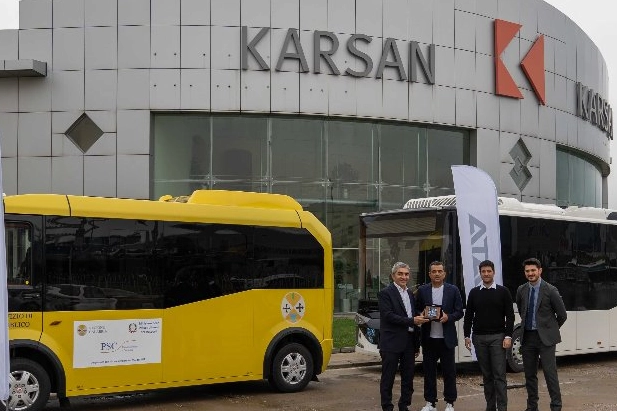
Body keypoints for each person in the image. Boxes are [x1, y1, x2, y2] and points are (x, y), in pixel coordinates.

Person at [515, 258, 567, 411]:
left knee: (550, 374)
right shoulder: (521, 290)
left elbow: (562, 315)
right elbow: (522, 309)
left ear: (540, 271)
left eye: (533, 270)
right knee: (529, 375)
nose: (530, 273)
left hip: (546, 339)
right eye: (527, 271)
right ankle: (532, 407)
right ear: (524, 273)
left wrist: (549, 329)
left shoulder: (550, 290)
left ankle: (556, 406)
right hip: (527, 338)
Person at [463, 260, 515, 411]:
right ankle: (490, 407)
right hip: (479, 339)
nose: (486, 274)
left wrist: (508, 336)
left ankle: (502, 408)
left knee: (499, 375)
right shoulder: (474, 293)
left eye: (489, 271)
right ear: (480, 273)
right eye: (483, 271)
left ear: (494, 272)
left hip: (498, 338)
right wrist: (467, 336)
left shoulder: (503, 291)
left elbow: (510, 316)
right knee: (487, 376)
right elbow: (468, 316)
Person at [415, 261, 463, 411]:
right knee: (429, 373)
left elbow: (459, 311)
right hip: (429, 339)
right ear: (429, 274)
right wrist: (421, 314)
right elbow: (416, 309)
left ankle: (450, 403)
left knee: (449, 372)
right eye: (434, 271)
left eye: (439, 271)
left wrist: (449, 317)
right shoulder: (422, 290)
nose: (437, 274)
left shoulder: (453, 290)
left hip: (446, 339)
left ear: (444, 274)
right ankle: (430, 402)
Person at [378, 261, 426, 411]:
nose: (403, 277)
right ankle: (387, 407)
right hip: (391, 342)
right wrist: (412, 320)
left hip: (409, 343)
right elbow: (388, 316)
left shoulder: (410, 293)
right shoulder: (385, 293)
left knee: (408, 378)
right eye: (400, 274)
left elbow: (411, 314)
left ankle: (404, 405)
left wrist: (421, 316)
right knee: (388, 378)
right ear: (393, 276)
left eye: (406, 274)